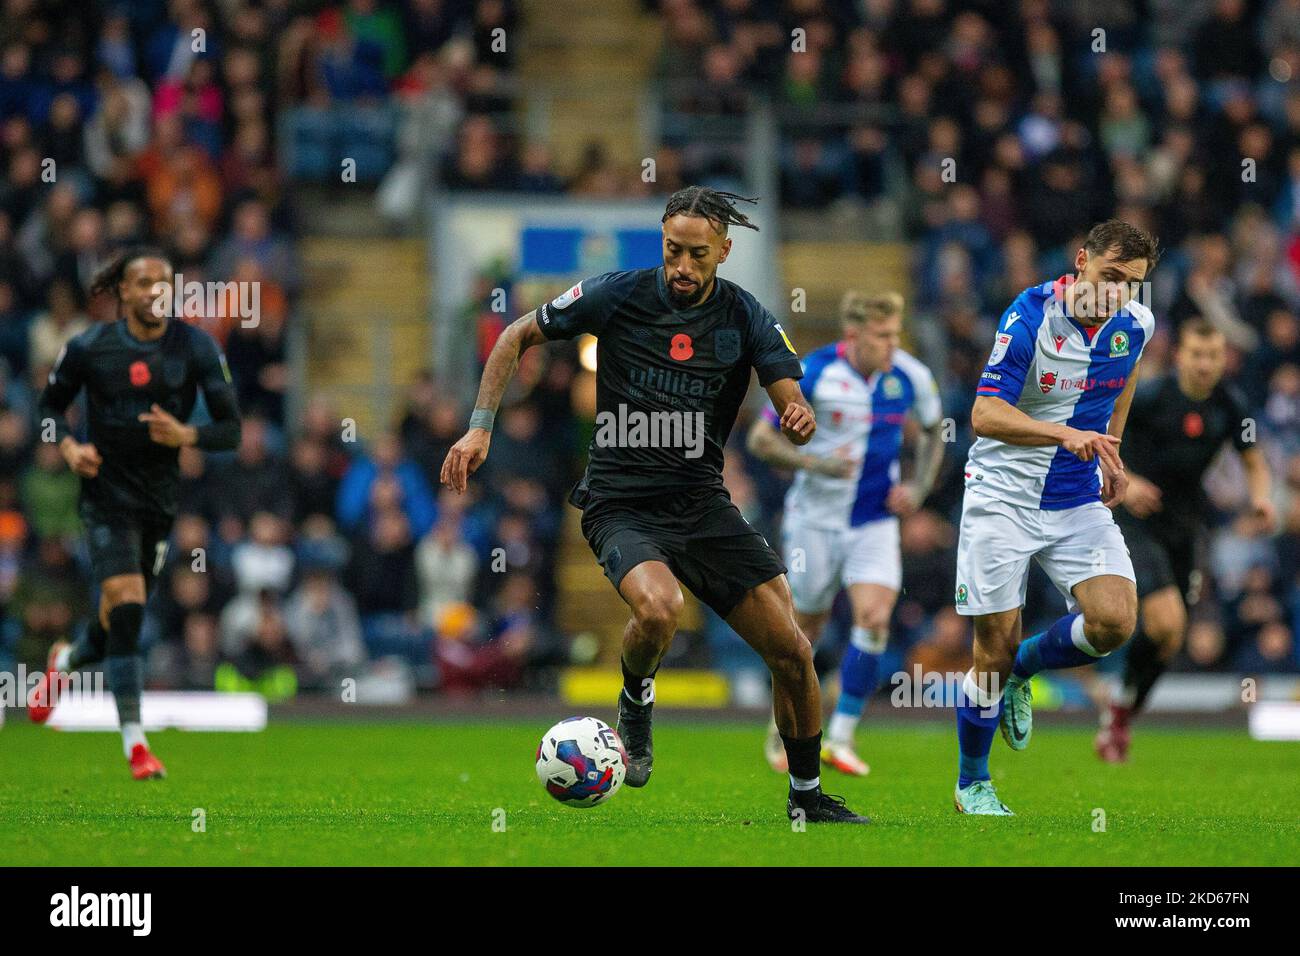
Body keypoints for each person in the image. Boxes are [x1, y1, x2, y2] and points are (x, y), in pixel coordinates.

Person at [442, 186, 869, 823]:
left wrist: (797, 415)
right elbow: (514, 336)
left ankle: (807, 800)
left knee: (793, 652)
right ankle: (636, 699)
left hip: (702, 507)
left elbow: (787, 395)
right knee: (660, 607)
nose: (683, 267)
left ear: (723, 251)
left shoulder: (745, 316)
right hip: (621, 504)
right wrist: (480, 425)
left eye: (698, 254)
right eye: (673, 250)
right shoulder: (618, 294)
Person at [952, 219, 1157, 815]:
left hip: (1073, 497)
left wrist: (1112, 449)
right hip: (1002, 495)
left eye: (1131, 284)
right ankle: (973, 784)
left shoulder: (1135, 324)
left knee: (1115, 621)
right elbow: (985, 415)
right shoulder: (1030, 317)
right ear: (1081, 260)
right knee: (991, 646)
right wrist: (1062, 432)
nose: (1117, 293)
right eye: (1110, 277)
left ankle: (1025, 669)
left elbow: (1128, 374)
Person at [28, 248, 241, 779]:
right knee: (125, 607)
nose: (153, 292)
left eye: (162, 283)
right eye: (142, 282)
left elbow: (230, 427)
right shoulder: (89, 348)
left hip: (158, 504)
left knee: (121, 618)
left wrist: (188, 434)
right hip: (104, 499)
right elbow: (48, 409)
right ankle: (136, 745)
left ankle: (67, 661)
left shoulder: (195, 347)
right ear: (122, 291)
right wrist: (71, 449)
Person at [747, 290, 944, 776]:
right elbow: (760, 439)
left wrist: (917, 489)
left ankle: (840, 736)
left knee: (874, 619)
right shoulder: (813, 373)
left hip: (874, 521)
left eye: (896, 334)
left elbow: (937, 431)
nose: (892, 344)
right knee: (803, 632)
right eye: (882, 336)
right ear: (853, 336)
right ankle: (783, 726)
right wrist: (812, 462)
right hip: (814, 522)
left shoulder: (911, 375)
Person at [1095, 318, 1274, 761]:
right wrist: (1128, 481)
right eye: (1196, 354)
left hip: (1187, 527)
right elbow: (1104, 438)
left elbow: (1253, 459)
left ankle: (1122, 709)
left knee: (1170, 640)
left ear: (1222, 359)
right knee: (1166, 621)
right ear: (1179, 356)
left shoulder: (1231, 405)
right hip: (1138, 522)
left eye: (1213, 355)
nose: (1205, 364)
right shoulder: (1152, 397)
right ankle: (1116, 703)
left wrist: (1262, 500)